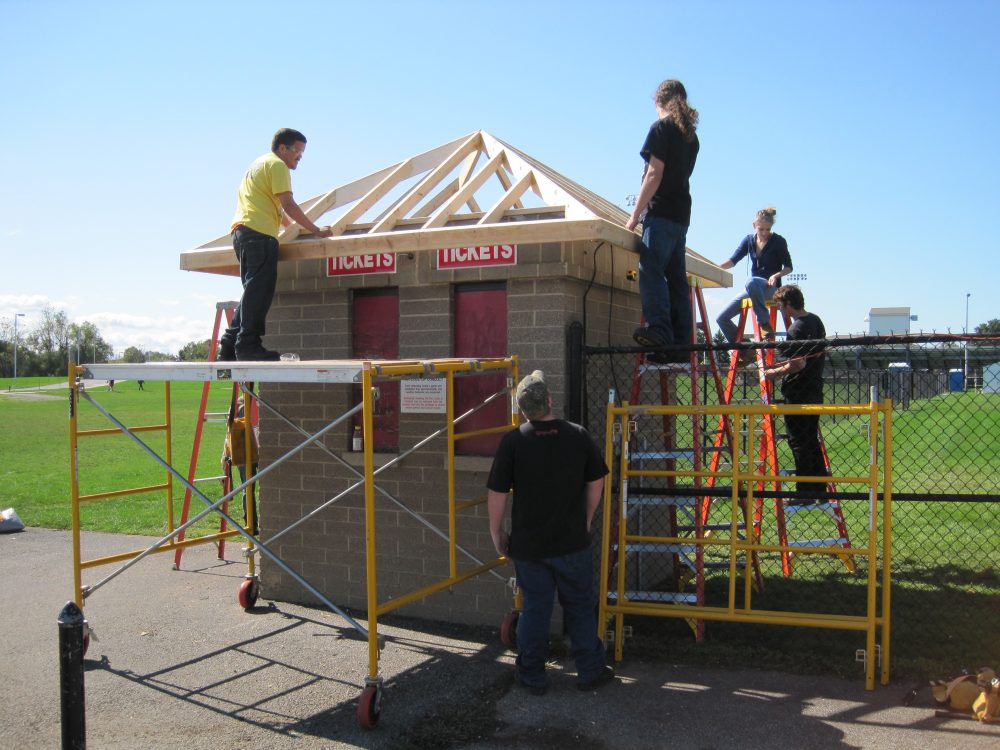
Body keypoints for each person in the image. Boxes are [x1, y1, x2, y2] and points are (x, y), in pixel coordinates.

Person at [487, 370, 614, 695]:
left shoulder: (514, 441)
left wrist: (496, 532)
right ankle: (590, 671)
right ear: (550, 401)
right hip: (573, 541)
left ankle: (532, 676)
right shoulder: (578, 435)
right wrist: (586, 518)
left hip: (530, 547)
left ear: (522, 409)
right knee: (580, 607)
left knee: (535, 609)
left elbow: (497, 493)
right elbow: (596, 481)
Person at [218, 129, 333, 362]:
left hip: (243, 233)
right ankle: (248, 345)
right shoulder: (278, 166)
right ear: (283, 148)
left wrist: (292, 229)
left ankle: (229, 346)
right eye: (297, 151)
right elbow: (288, 203)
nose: (299, 157)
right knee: (259, 291)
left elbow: (279, 211)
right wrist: (314, 229)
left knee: (252, 291)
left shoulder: (258, 165)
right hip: (259, 234)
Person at [627, 79, 700, 364]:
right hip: (681, 215)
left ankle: (659, 331)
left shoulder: (661, 129)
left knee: (651, 270)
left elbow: (654, 174)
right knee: (676, 280)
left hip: (660, 214)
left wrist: (635, 214)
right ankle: (679, 347)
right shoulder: (690, 137)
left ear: (660, 102)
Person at [762, 285, 829, 504]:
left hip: (798, 392)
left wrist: (771, 374)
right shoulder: (816, 321)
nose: (780, 310)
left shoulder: (796, 329)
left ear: (789, 304)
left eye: (781, 306)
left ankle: (804, 492)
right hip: (814, 390)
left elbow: (797, 364)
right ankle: (820, 490)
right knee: (811, 440)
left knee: (799, 442)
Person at [716, 207, 793, 345]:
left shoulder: (779, 241)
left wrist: (776, 275)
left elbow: (788, 267)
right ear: (754, 226)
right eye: (761, 229)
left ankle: (764, 323)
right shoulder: (748, 240)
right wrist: (716, 268)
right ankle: (745, 350)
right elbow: (732, 261)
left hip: (771, 288)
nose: (764, 233)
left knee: (751, 281)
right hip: (754, 288)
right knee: (721, 318)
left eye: (768, 229)